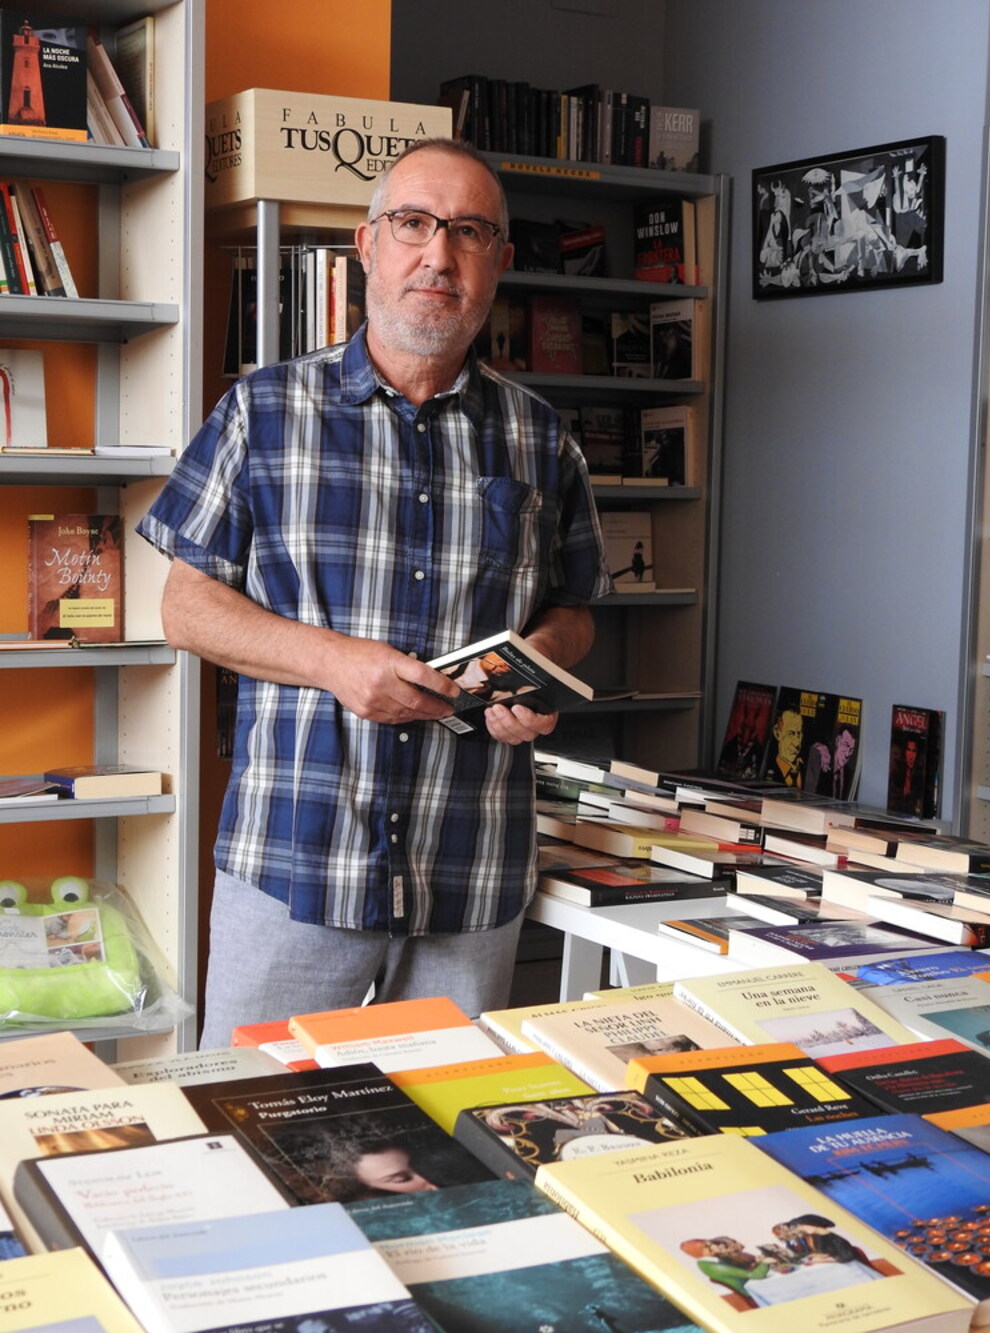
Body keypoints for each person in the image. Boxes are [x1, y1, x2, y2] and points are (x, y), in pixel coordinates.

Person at [136, 138, 610, 1048]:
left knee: (447, 1149)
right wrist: (336, 664)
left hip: (470, 866)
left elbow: (574, 609)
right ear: (367, 246)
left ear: (499, 262)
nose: (440, 254)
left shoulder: (544, 440)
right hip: (297, 857)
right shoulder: (263, 411)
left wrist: (541, 663)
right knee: (248, 1129)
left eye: (470, 232)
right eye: (414, 224)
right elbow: (184, 608)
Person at [768, 706, 804, 787]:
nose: (797, 743)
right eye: (790, 733)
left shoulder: (802, 767)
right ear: (777, 733)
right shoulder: (771, 771)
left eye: (799, 733)